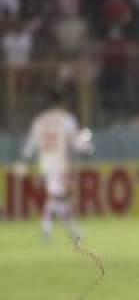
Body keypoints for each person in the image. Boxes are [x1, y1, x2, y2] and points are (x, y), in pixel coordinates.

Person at [15, 86, 93, 242]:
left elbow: (31, 143)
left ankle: (71, 231)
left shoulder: (40, 120)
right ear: (62, 103)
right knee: (57, 198)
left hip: (44, 163)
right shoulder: (66, 119)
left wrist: (23, 160)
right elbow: (76, 142)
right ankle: (47, 229)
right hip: (59, 163)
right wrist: (87, 147)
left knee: (60, 197)